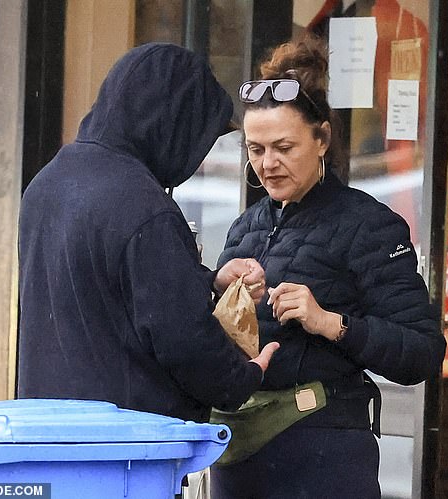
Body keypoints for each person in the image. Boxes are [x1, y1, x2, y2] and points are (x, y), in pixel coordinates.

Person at [210, 36, 446, 499]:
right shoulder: (244, 228)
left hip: (326, 457)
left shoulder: (368, 224)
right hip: (241, 453)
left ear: (322, 140)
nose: (267, 164)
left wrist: (331, 324)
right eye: (255, 150)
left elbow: (421, 352)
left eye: (283, 147)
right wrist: (225, 299)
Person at [17, 43, 279, 424]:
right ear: (172, 123)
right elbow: (182, 339)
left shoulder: (47, 183)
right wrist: (242, 376)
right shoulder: (143, 206)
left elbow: (103, 288)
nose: (197, 156)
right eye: (197, 137)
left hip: (48, 433)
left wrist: (207, 280)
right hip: (124, 449)